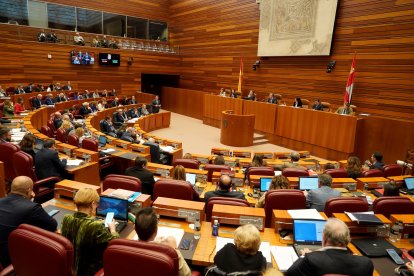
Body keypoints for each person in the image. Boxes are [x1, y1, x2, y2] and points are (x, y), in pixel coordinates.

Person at [0, 176, 58, 267]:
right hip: (11, 257)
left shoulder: (1, 201)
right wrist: (31, 201)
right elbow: (53, 225)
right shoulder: (32, 207)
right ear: (29, 191)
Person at [61, 188, 119, 276]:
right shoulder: (95, 225)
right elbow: (114, 245)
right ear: (92, 204)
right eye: (97, 204)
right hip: (88, 271)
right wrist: (113, 229)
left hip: (69, 267)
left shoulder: (66, 219)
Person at [286, 218, 374, 276]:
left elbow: (290, 274)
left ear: (324, 238)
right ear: (348, 239)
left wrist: (303, 256)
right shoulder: (366, 263)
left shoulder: (310, 259)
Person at [134, 207, 191, 276]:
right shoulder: (169, 253)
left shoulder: (126, 248)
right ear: (156, 230)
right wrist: (175, 250)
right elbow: (187, 274)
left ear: (135, 228)